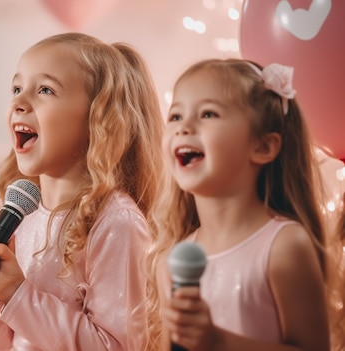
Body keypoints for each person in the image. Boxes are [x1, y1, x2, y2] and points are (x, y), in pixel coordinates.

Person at [0, 32, 164, 350]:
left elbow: (115, 346)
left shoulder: (115, 222)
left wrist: (17, 292)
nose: (18, 102)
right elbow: (9, 343)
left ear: (98, 119)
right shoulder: (25, 215)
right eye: (16, 88)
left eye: (45, 90)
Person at [144, 58, 345, 351]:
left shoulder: (284, 245)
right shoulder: (173, 262)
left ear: (262, 147)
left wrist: (218, 341)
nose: (184, 127)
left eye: (208, 114)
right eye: (175, 116)